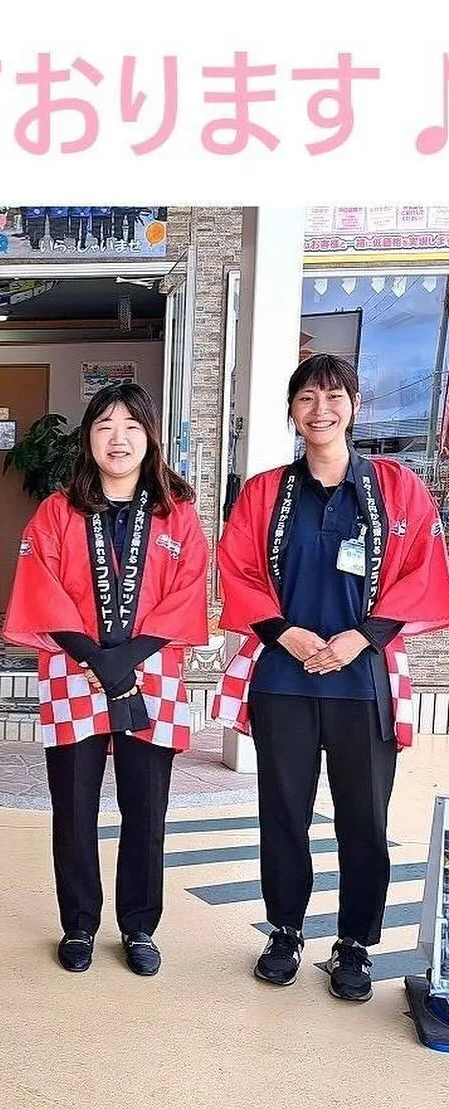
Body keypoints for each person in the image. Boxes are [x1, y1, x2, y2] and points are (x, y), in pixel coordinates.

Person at [213, 353, 449, 1002]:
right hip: (285, 681)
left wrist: (359, 639)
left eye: (334, 395)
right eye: (307, 398)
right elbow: (235, 570)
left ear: (355, 405)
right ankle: (285, 930)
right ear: (291, 411)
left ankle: (355, 943)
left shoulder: (398, 488)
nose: (321, 409)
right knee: (284, 814)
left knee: (363, 820)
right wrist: (283, 633)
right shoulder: (265, 493)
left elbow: (425, 568)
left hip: (361, 681)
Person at [4, 383, 209, 976]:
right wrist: (97, 660)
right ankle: (79, 924)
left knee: (147, 810)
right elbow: (40, 589)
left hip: (152, 677)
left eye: (131, 426)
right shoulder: (57, 511)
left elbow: (187, 593)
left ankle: (139, 926)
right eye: (104, 426)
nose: (118, 438)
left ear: (150, 437)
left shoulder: (178, 514)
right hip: (74, 674)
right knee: (73, 809)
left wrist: (124, 660)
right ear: (88, 438)